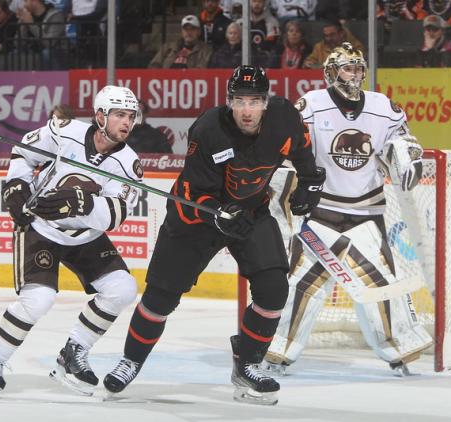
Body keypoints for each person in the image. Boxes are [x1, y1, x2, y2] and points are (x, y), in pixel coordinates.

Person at [102, 65, 325, 405]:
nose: (246, 110)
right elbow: (192, 190)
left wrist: (310, 179)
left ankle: (248, 363)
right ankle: (130, 360)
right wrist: (217, 214)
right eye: (239, 101)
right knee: (162, 296)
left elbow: (302, 148)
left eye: (254, 101)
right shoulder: (208, 129)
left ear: (266, 102)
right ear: (229, 102)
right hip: (195, 219)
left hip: (250, 212)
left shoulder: (286, 118)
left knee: (274, 287)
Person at [263, 42, 432, 377]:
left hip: (367, 212)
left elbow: (403, 141)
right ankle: (277, 350)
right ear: (330, 72)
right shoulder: (311, 104)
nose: (354, 74)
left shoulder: (383, 106)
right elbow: (287, 143)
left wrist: (405, 154)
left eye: (358, 68)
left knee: (379, 283)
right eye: (347, 68)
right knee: (301, 284)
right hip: (319, 211)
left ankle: (399, 349)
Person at [0, 85, 144, 399]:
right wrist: (15, 185)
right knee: (39, 300)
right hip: (41, 226)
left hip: (84, 236)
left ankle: (73, 351)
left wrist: (84, 205)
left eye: (131, 116)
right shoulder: (64, 132)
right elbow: (23, 151)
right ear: (100, 115)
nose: (127, 122)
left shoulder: (129, 165)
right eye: (120, 115)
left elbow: (118, 212)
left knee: (122, 288)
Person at [16, 0, 66, 70]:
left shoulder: (56, 15)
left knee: (46, 53)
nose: (24, 5)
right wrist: (23, 26)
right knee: (15, 53)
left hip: (56, 53)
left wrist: (31, 24)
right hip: (34, 51)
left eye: (26, 1)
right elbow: (18, 44)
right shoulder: (28, 16)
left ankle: (51, 79)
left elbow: (49, 43)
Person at [148, 15, 213, 69]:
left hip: (189, 83)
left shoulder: (206, 50)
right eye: (186, 29)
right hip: (166, 82)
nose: (189, 32)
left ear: (199, 32)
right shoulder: (168, 47)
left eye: (192, 29)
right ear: (182, 32)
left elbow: (201, 71)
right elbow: (154, 64)